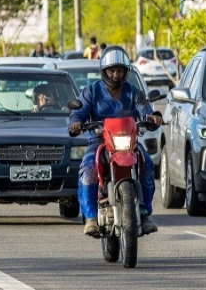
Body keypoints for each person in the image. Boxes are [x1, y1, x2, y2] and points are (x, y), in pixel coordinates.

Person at [69, 45, 162, 236]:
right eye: (111, 70)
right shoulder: (92, 91)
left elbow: (145, 109)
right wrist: (76, 122)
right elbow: (79, 111)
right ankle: (91, 218)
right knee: (88, 169)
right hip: (100, 141)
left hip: (129, 143)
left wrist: (153, 117)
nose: (115, 75)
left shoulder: (133, 92)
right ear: (104, 71)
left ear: (126, 71)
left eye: (119, 70)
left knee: (147, 165)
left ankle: (144, 214)